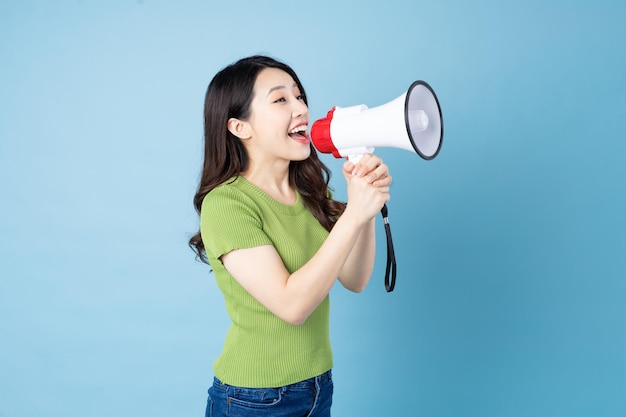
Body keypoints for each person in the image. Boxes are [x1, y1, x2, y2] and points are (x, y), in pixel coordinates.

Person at [189, 55, 392, 417]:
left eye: (299, 97)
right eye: (280, 99)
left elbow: (355, 278)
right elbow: (292, 306)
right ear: (239, 127)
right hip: (254, 399)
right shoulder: (226, 204)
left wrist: (366, 207)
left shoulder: (312, 190)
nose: (300, 108)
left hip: (318, 386)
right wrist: (354, 214)